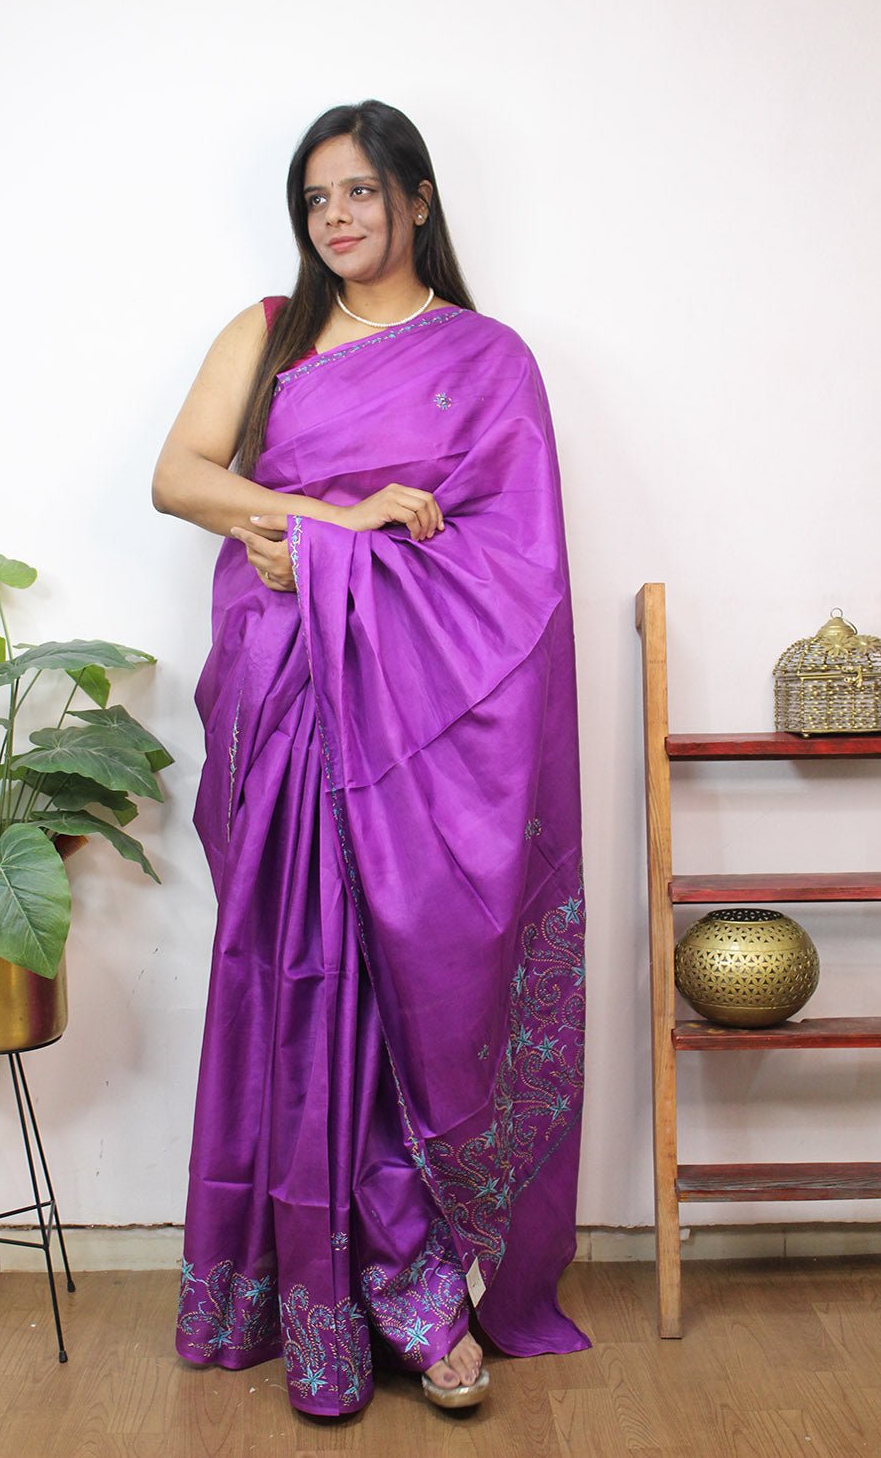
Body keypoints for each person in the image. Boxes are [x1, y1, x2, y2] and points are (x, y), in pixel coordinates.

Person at [153, 99, 587, 1418]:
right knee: (306, 982)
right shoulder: (269, 331)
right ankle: (342, 1293)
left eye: (356, 192)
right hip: (289, 702)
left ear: (417, 198)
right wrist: (331, 523)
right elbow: (182, 479)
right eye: (315, 200)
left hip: (419, 729)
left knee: (403, 984)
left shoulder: (488, 360)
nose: (334, 219)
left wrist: (329, 556)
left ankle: (413, 1283)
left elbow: (516, 570)